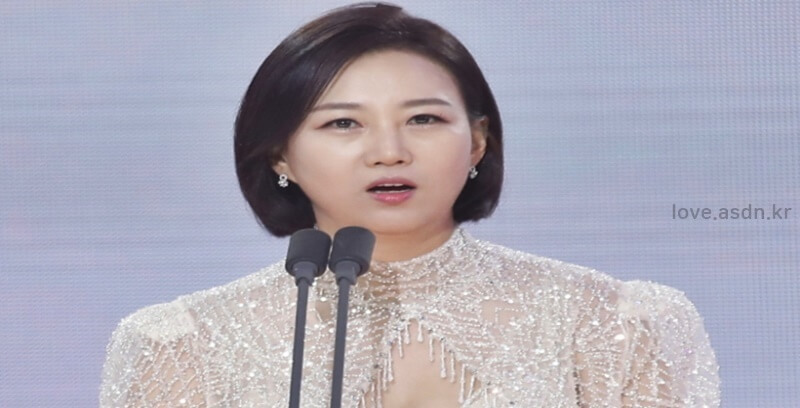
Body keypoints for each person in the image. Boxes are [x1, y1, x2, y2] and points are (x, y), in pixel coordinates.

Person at [100, 3, 720, 407]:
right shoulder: (183, 345)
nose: (389, 152)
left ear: (476, 141)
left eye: (423, 118)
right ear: (280, 156)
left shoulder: (614, 323)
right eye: (343, 124)